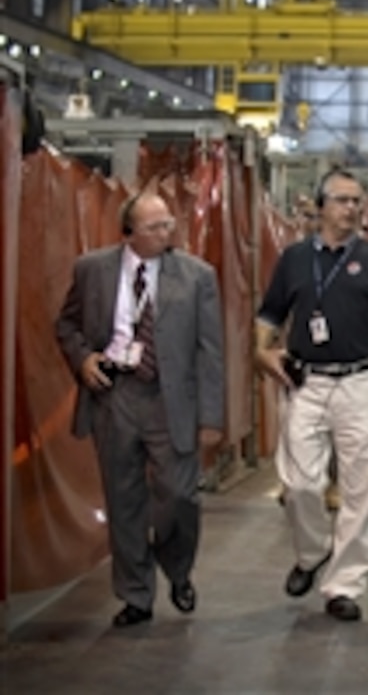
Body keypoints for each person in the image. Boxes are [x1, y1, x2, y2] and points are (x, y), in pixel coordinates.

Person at [55, 193, 225, 627]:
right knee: (124, 499)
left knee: (179, 497)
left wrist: (212, 417)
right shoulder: (92, 269)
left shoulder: (196, 276)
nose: (167, 232)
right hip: (115, 396)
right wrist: (84, 359)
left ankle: (178, 569)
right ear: (128, 232)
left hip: (172, 402)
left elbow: (211, 350)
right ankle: (135, 594)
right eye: (155, 227)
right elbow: (67, 325)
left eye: (169, 223)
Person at [256, 169, 368, 622]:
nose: (352, 209)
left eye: (356, 202)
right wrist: (261, 353)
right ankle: (312, 552)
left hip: (359, 382)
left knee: (360, 489)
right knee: (300, 482)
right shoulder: (294, 259)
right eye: (343, 200)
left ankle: (343, 585)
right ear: (321, 206)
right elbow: (270, 315)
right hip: (307, 382)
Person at [276, 193, 341, 512]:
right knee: (293, 427)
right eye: (311, 219)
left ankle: (335, 481)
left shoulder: (356, 256)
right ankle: (292, 481)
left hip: (344, 366)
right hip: (301, 361)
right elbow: (275, 307)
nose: (316, 226)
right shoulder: (294, 258)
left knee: (339, 434)